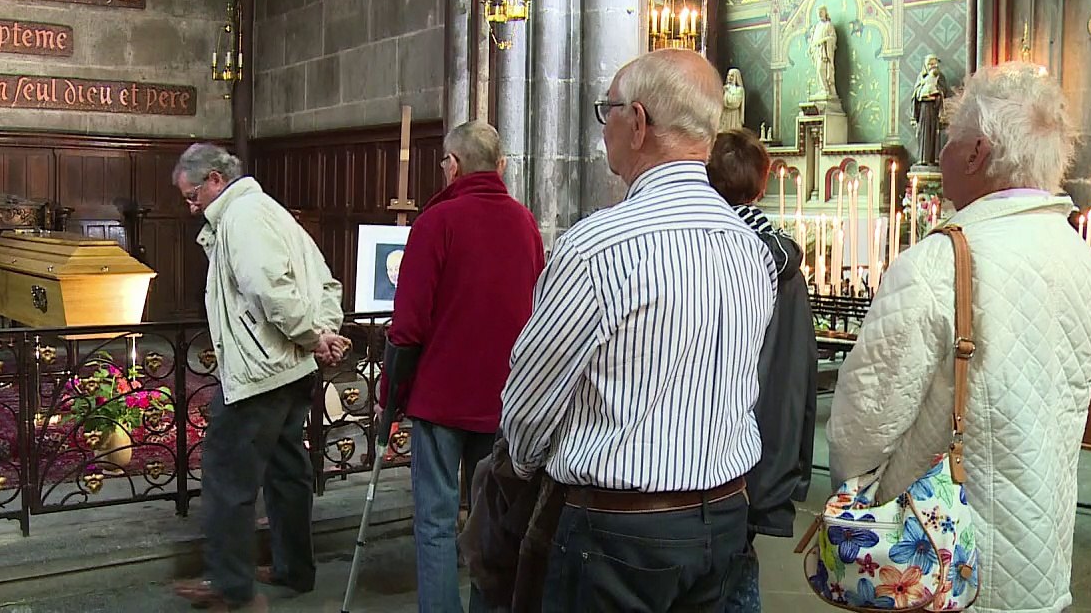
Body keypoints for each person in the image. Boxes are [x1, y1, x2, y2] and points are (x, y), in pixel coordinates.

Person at [501, 49, 777, 612]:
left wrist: (526, 471)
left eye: (610, 112)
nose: (605, 130)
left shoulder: (597, 247)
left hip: (619, 531)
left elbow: (530, 402)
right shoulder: (751, 248)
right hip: (725, 518)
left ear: (640, 122)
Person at [828, 61, 1091, 613]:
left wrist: (862, 499)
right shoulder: (1083, 259)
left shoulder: (939, 262)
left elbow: (860, 429)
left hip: (944, 565)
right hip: (1042, 558)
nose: (940, 155)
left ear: (979, 153)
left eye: (951, 143)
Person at [170, 143, 349, 612]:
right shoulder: (270, 209)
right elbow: (324, 280)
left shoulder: (243, 217)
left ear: (214, 179)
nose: (191, 208)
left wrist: (314, 336)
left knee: (227, 476)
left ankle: (233, 589)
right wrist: (324, 333)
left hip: (259, 372)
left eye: (192, 197)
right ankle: (294, 569)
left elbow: (268, 288)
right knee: (287, 469)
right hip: (291, 369)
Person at [382, 120, 545, 613]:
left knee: (434, 520)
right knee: (490, 521)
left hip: (440, 399)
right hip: (502, 398)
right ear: (499, 167)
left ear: (452, 165)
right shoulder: (525, 223)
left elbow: (408, 324)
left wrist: (391, 393)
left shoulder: (437, 222)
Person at [706, 130, 817, 613]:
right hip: (763, 451)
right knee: (738, 568)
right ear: (761, 185)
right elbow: (799, 374)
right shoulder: (783, 260)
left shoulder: (710, 251)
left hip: (708, 451)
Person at [912, 54, 950, 166]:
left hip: (934, 109)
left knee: (934, 132)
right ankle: (923, 158)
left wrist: (937, 94)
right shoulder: (921, 77)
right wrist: (921, 95)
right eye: (930, 64)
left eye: (934, 63)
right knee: (924, 132)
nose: (932, 66)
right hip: (924, 108)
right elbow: (916, 93)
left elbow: (943, 90)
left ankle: (934, 159)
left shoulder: (940, 77)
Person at [808, 5, 838, 101]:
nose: (819, 14)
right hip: (818, 52)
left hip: (825, 52)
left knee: (822, 69)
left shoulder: (828, 25)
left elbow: (833, 38)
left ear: (825, 12)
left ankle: (826, 89)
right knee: (818, 70)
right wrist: (812, 47)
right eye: (818, 12)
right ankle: (822, 88)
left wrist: (825, 41)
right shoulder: (816, 26)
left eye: (821, 12)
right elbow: (813, 40)